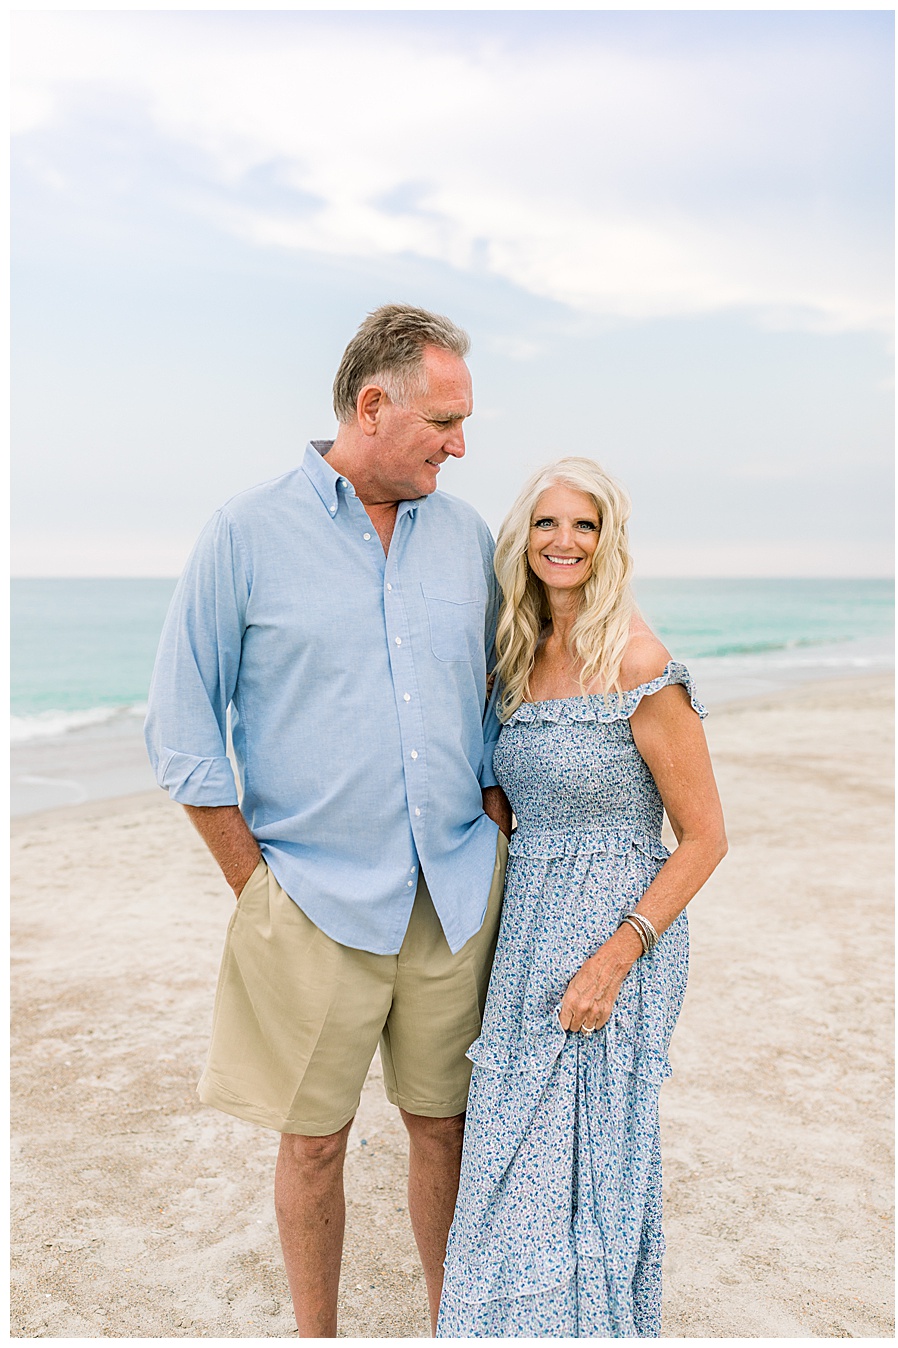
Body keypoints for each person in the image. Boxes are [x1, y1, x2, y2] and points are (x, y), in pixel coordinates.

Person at [144, 304, 510, 1336]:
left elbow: (495, 698)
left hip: (451, 897)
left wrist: (491, 819)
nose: (461, 444)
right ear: (372, 404)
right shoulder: (245, 531)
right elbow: (180, 726)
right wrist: (257, 888)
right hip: (311, 901)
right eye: (444, 420)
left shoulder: (468, 536)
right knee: (313, 1142)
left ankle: (455, 1326)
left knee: (447, 1129)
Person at [437, 457, 727, 1337]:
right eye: (548, 523)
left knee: (591, 1166)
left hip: (619, 937)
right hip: (528, 933)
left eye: (585, 525)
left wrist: (614, 955)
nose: (564, 541)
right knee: (506, 1159)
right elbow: (503, 797)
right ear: (523, 539)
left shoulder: (640, 662)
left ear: (609, 544)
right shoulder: (516, 659)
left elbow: (706, 838)